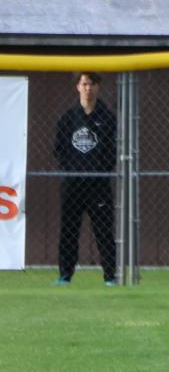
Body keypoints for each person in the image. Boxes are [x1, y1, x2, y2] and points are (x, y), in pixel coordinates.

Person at [53, 72, 118, 285]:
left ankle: (110, 276)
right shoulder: (68, 118)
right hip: (73, 183)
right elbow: (59, 150)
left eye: (92, 84)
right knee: (68, 230)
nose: (88, 88)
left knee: (104, 231)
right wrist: (73, 169)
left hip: (98, 184)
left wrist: (97, 170)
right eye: (84, 84)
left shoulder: (107, 118)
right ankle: (65, 275)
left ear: (98, 87)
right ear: (77, 87)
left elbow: (112, 151)